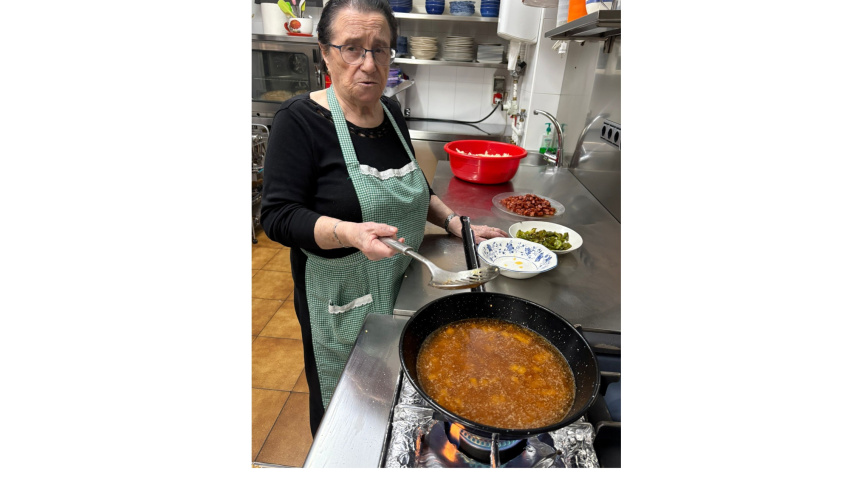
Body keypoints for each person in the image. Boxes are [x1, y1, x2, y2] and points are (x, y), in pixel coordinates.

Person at [260, 0, 508, 436]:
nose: (368, 63)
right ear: (325, 52)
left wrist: (457, 224)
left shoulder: (391, 112)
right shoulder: (299, 121)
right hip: (339, 296)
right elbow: (279, 216)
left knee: (392, 394)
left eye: (380, 49)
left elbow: (416, 188)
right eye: (352, 48)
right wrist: (348, 233)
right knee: (344, 403)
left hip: (398, 281)